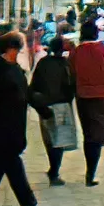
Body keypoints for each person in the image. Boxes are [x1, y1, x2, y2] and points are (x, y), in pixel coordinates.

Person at [0, 32, 44, 206]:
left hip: (14, 124)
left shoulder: (14, 68)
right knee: (12, 164)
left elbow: (25, 92)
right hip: (1, 125)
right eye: (17, 49)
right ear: (10, 49)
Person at [69, 20, 104, 186]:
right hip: (101, 98)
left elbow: (70, 76)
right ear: (96, 33)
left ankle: (89, 171)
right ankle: (90, 173)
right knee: (98, 136)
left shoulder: (75, 53)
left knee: (89, 135)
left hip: (83, 99)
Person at [30, 34, 77, 186]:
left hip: (45, 106)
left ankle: (53, 169)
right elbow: (71, 85)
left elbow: (33, 85)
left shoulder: (43, 63)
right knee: (59, 141)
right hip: (61, 105)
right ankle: (54, 172)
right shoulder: (65, 64)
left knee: (49, 140)